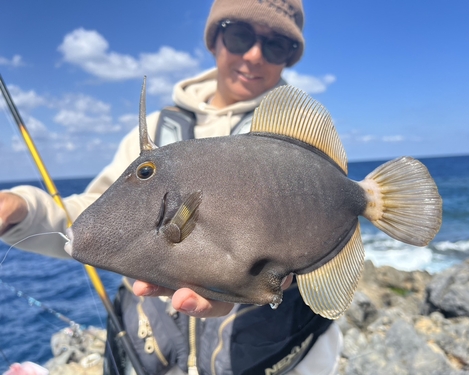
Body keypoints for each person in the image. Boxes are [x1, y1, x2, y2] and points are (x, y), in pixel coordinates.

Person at [0, 0, 343, 374]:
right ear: (215, 39)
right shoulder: (159, 135)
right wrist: (23, 209)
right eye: (240, 35)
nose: (255, 55)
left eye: (277, 44)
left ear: (291, 56)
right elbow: (98, 220)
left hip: (279, 357)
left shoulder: (297, 144)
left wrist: (286, 278)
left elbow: (326, 229)